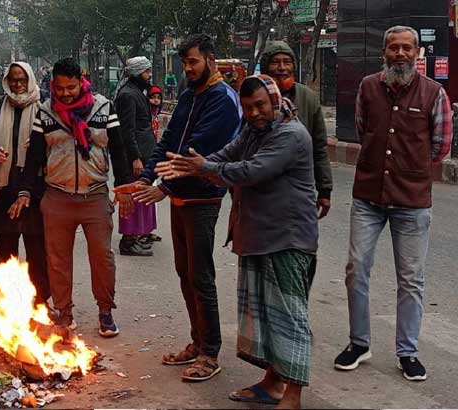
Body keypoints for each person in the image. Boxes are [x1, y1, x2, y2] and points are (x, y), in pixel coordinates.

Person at [158, 74, 318, 408]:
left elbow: (250, 170)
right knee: (264, 316)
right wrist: (194, 167)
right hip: (257, 236)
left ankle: (294, 396)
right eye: (248, 108)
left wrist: (204, 167)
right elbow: (228, 153)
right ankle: (273, 384)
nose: (255, 113)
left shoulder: (291, 134)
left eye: (260, 105)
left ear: (274, 101)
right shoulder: (252, 130)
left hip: (287, 240)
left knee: (289, 319)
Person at [119, 33, 242, 382]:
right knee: (184, 272)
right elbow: (169, 141)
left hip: (204, 196)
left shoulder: (222, 99)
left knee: (201, 275)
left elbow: (196, 152)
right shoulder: (189, 95)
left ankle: (209, 352)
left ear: (211, 61)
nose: (188, 69)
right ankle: (197, 340)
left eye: (194, 62)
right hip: (179, 197)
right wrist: (145, 180)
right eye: (185, 63)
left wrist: (164, 186)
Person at [334, 25, 453, 382]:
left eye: (407, 48)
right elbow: (361, 128)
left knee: (411, 280)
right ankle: (359, 342)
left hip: (412, 201)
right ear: (383, 52)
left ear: (417, 53)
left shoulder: (435, 93)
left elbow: (440, 146)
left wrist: (411, 170)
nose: (400, 54)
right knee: (356, 269)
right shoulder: (369, 87)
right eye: (393, 48)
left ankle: (408, 351)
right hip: (368, 196)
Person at [11, 57, 133, 337]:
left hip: (95, 197)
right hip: (57, 198)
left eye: (71, 87)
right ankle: (64, 314)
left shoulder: (104, 108)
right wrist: (25, 191)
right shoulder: (45, 112)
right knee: (58, 260)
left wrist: (124, 188)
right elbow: (35, 156)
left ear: (82, 81)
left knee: (102, 258)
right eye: (60, 88)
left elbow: (119, 150)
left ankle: (105, 312)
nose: (65, 93)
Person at [0, 61, 49, 306]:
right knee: (6, 247)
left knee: (37, 249)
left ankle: (39, 302)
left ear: (30, 80)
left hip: (36, 188)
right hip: (6, 188)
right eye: (14, 80)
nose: (18, 84)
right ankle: (9, 302)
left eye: (22, 80)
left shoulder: (44, 106)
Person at [261, 41, 333, 219]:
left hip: (299, 190)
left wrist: (324, 189)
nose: (282, 68)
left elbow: (319, 147)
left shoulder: (308, 98)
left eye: (287, 62)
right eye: (275, 62)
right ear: (265, 66)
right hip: (262, 189)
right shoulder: (254, 96)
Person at [115, 56, 157, 257]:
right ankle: (129, 240)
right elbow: (127, 130)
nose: (149, 76)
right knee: (133, 197)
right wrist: (135, 158)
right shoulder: (128, 95)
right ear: (137, 73)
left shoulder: (137, 93)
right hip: (135, 156)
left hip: (145, 153)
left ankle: (141, 235)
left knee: (143, 197)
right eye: (147, 72)